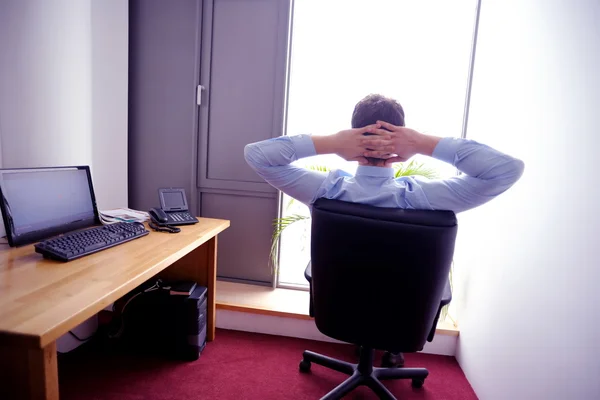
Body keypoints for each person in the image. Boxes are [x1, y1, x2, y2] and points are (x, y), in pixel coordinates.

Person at [244, 93, 525, 366]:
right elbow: (507, 170)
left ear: (353, 135)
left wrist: (332, 143)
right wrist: (420, 142)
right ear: (401, 139)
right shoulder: (424, 198)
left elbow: (256, 155)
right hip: (404, 319)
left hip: (338, 312)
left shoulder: (326, 191)